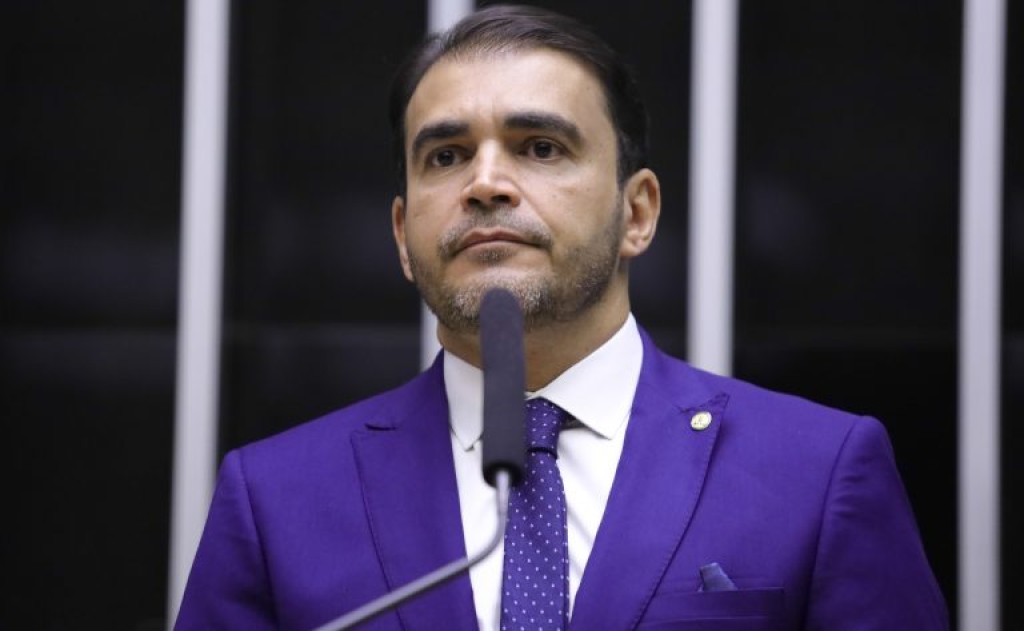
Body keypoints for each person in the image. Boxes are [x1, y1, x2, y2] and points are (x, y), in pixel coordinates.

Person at [175, 5, 948, 630]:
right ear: (403, 236)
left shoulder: (816, 471)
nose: (485, 183)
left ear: (637, 213)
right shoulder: (276, 498)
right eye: (446, 155)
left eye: (540, 147)